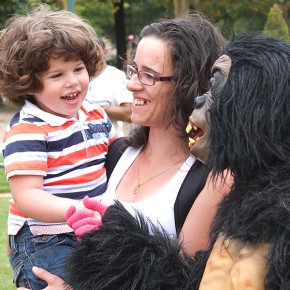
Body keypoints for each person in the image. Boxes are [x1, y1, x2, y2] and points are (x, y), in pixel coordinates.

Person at [19, 12, 229, 290]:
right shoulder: (111, 154)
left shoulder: (210, 180)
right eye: (134, 70)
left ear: (188, 85)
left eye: (149, 75)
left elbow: (182, 283)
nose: (131, 84)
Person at [0, 5, 117, 289]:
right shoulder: (29, 129)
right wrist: (73, 210)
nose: (73, 81)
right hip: (44, 237)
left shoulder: (94, 113)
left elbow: (118, 158)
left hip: (88, 227)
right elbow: (27, 195)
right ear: (28, 83)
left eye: (78, 69)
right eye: (57, 75)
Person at [86, 37, 133, 136]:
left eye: (95, 52)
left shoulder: (117, 76)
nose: (91, 56)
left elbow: (129, 114)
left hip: (111, 144)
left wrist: (92, 107)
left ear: (105, 52)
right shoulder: (78, 78)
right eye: (87, 53)